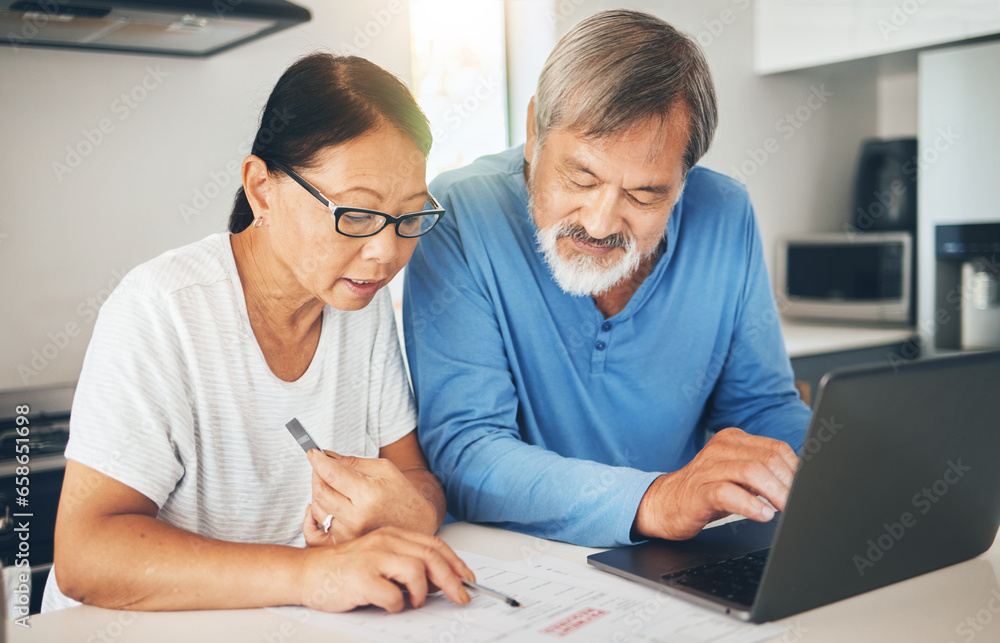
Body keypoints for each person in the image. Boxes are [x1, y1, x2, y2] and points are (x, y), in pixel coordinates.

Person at [42, 53, 475, 614]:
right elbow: (85, 555)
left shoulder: (357, 303)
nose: (386, 253)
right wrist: (314, 575)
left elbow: (414, 476)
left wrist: (415, 511)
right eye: (357, 214)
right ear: (261, 188)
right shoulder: (161, 309)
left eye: (410, 216)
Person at [403, 10, 811, 549]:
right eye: (581, 176)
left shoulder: (726, 211)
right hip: (519, 563)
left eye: (645, 195)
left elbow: (762, 409)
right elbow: (468, 452)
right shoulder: (458, 214)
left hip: (677, 553)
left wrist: (840, 475)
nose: (599, 222)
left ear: (684, 178)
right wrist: (655, 500)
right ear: (533, 134)